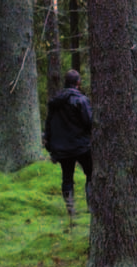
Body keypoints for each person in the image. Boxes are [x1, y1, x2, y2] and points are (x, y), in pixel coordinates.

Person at [43, 69, 93, 219]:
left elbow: (48, 125)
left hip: (63, 149)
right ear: (78, 82)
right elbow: (89, 122)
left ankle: (70, 207)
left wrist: (50, 146)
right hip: (81, 146)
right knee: (91, 174)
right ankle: (92, 205)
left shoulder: (55, 103)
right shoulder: (81, 100)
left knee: (67, 177)